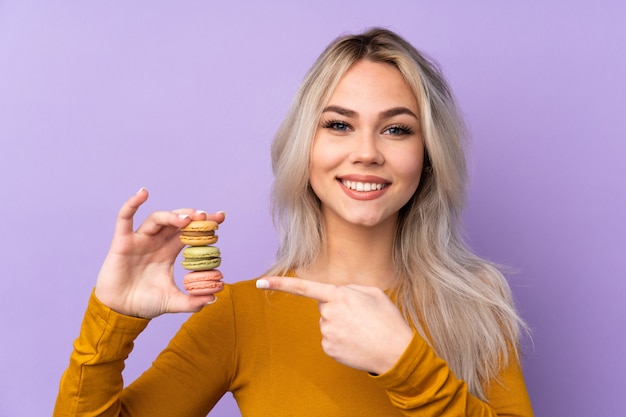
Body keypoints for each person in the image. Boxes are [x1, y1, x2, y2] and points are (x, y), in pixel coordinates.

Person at [54, 28, 533, 416]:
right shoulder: (242, 316)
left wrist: (405, 365)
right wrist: (112, 317)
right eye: (339, 124)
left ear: (427, 156)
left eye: (396, 129)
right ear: (305, 149)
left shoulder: (477, 301)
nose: (366, 152)